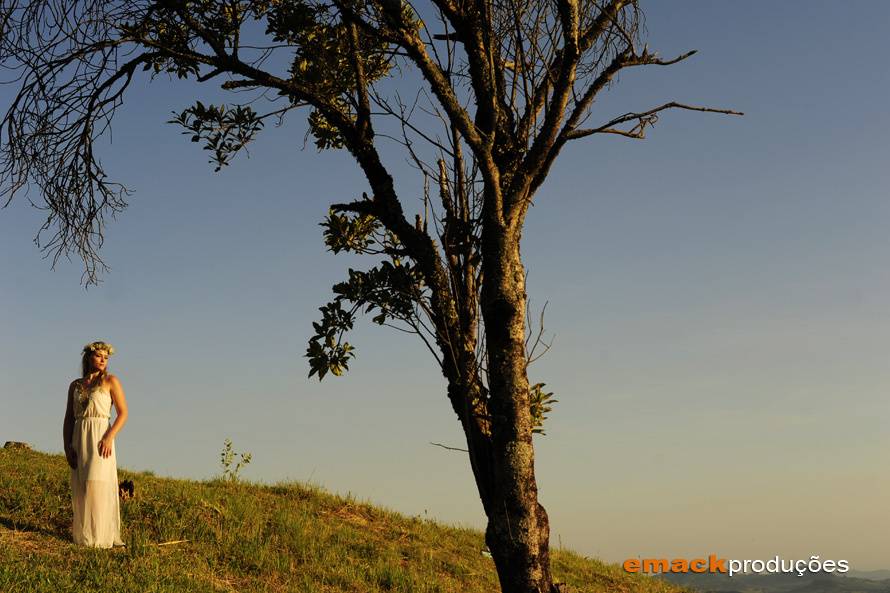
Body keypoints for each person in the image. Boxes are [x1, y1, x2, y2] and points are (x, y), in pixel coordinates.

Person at [62, 341, 129, 548]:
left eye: (105, 357)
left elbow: (123, 413)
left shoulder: (110, 381)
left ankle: (101, 537)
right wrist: (67, 446)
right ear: (88, 357)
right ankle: (85, 535)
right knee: (82, 485)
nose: (102, 360)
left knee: (96, 482)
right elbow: (68, 418)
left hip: (100, 435)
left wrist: (109, 437)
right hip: (79, 436)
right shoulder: (76, 385)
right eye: (98, 356)